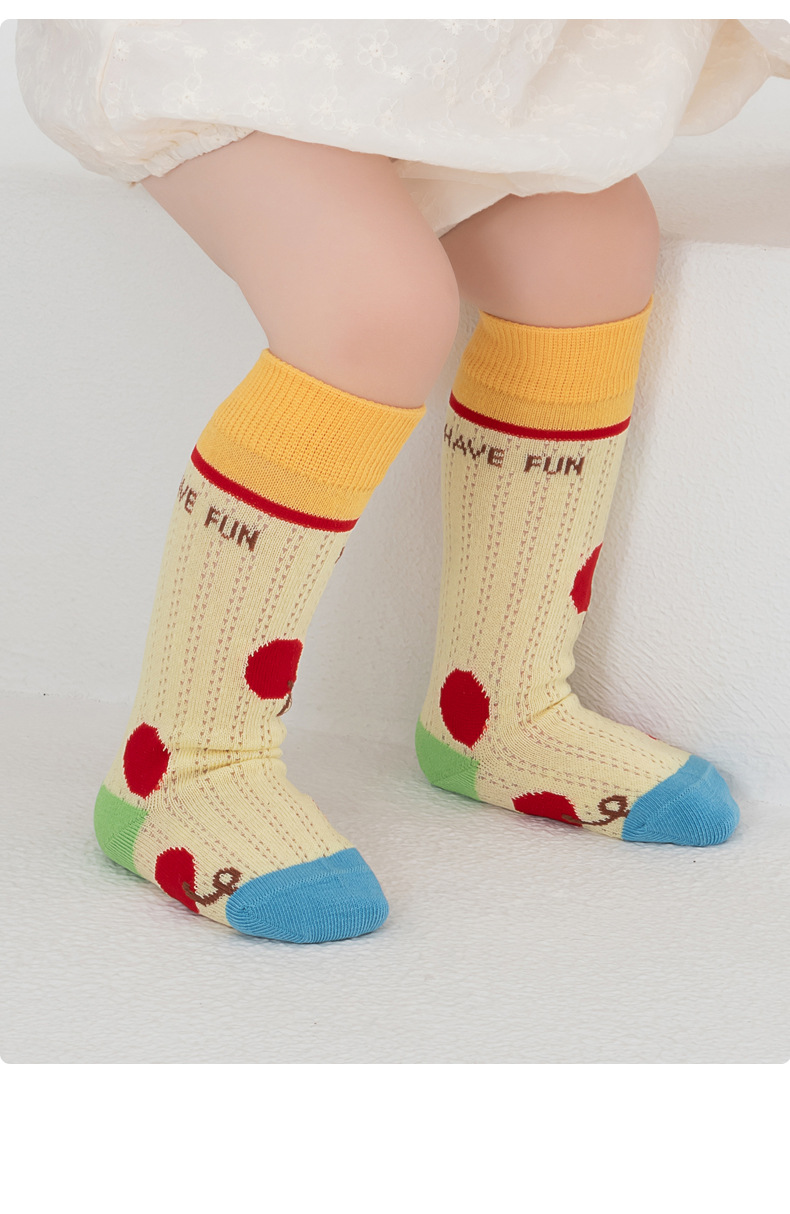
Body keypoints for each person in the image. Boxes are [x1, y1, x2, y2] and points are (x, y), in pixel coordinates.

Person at [14, 18, 790, 943]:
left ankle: (501, 705)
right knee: (374, 308)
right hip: (234, 50)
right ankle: (183, 765)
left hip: (462, 59)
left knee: (593, 251)